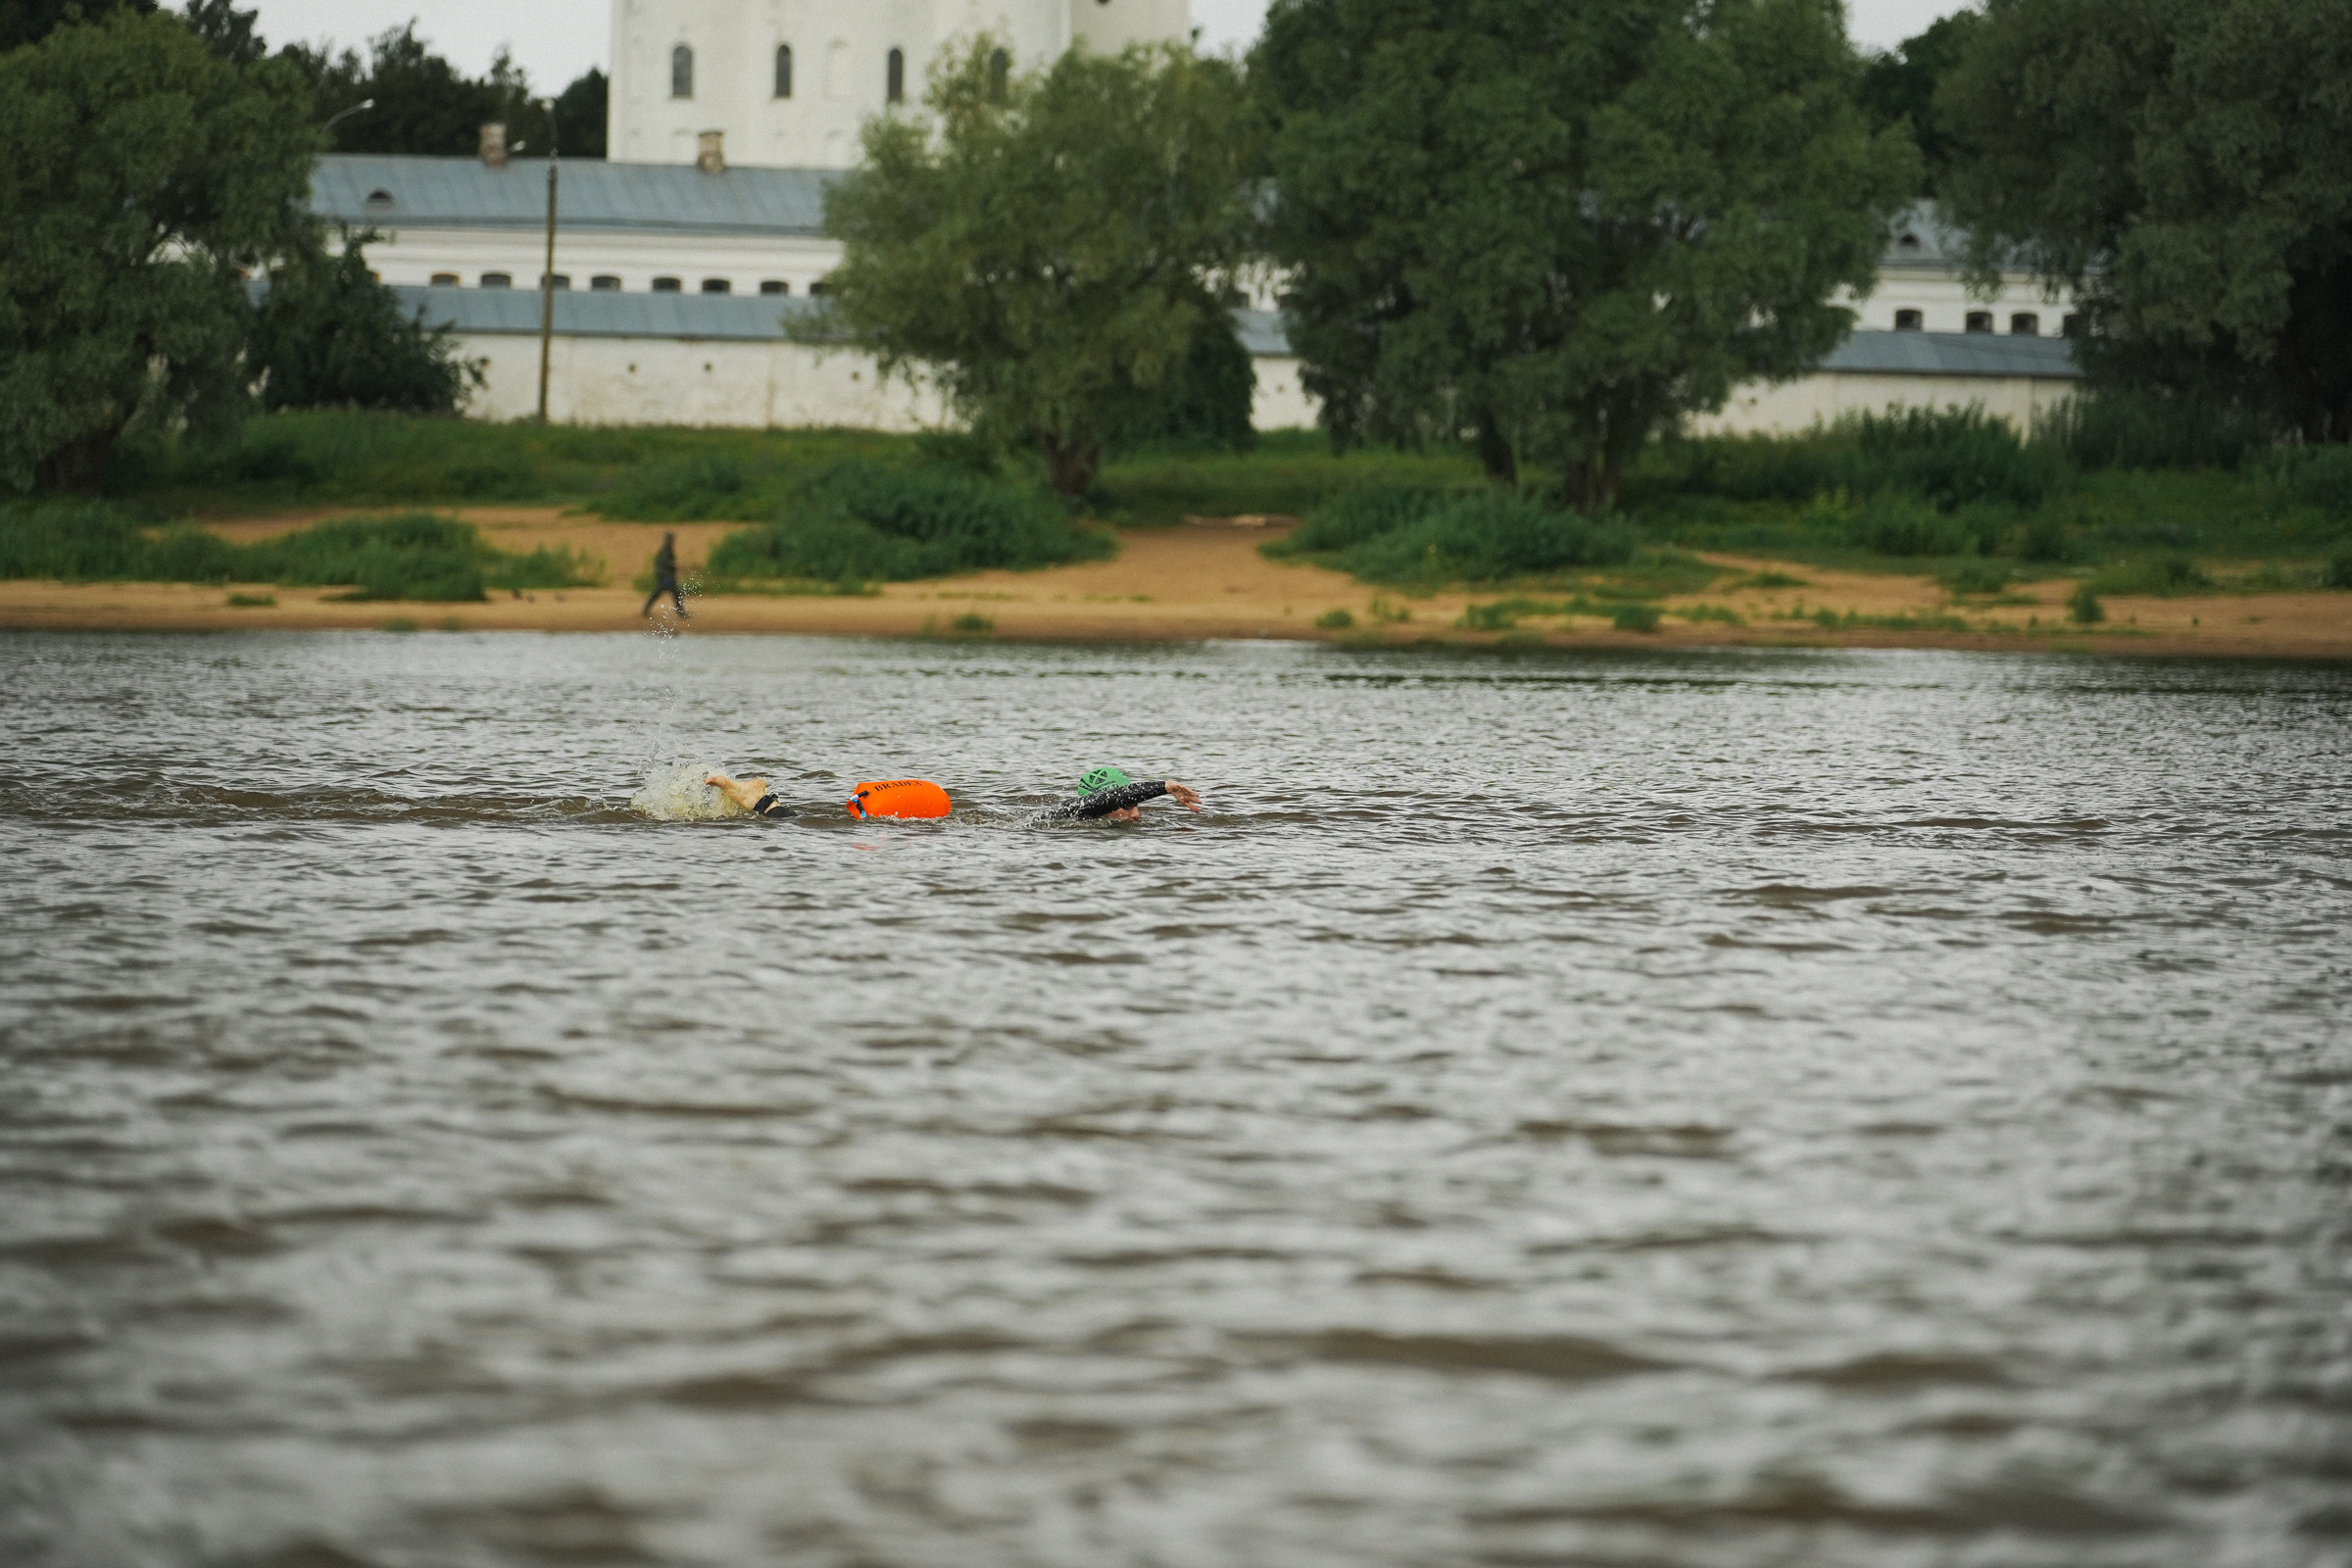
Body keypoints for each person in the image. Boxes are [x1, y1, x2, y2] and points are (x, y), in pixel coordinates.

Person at [699, 765, 1202, 823]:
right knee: (815, 829)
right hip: (969, 837)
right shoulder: (1072, 814)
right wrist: (1161, 786)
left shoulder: (1088, 816)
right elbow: (1094, 805)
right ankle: (757, 800)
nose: (1134, 812)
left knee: (821, 823)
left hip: (969, 827)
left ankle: (759, 797)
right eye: (1128, 803)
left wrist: (1157, 794)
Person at [1037, 766, 1202, 823]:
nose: (1136, 815)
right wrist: (1164, 787)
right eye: (1128, 804)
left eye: (1135, 803)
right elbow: (1113, 798)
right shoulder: (1074, 810)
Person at [641, 532, 688, 619]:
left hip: (664, 575)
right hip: (666, 576)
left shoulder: (666, 549)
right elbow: (665, 562)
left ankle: (646, 609)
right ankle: (680, 612)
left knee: (664, 592)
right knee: (673, 593)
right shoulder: (666, 550)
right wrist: (674, 565)